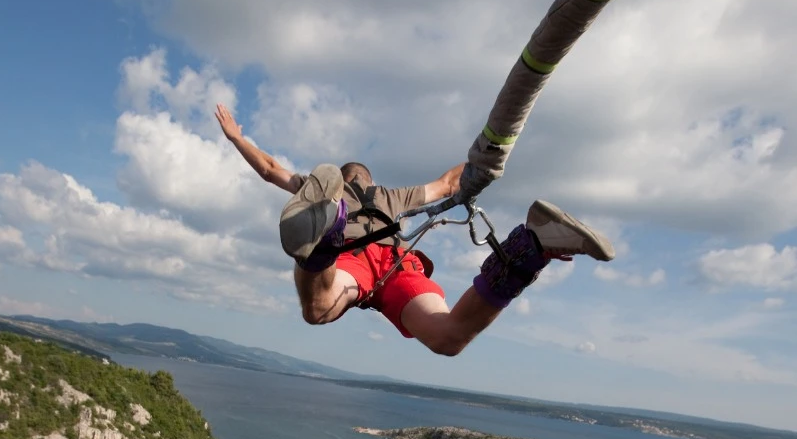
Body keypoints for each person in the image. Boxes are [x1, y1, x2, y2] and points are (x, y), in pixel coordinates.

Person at [215, 103, 614, 356]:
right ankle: (530, 248)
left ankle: (324, 242)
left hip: (352, 260)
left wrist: (236, 138)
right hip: (395, 264)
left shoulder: (324, 189)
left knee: (319, 309)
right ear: (369, 179)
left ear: (342, 179)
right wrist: (489, 155)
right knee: (447, 338)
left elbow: (270, 169)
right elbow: (448, 184)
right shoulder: (394, 195)